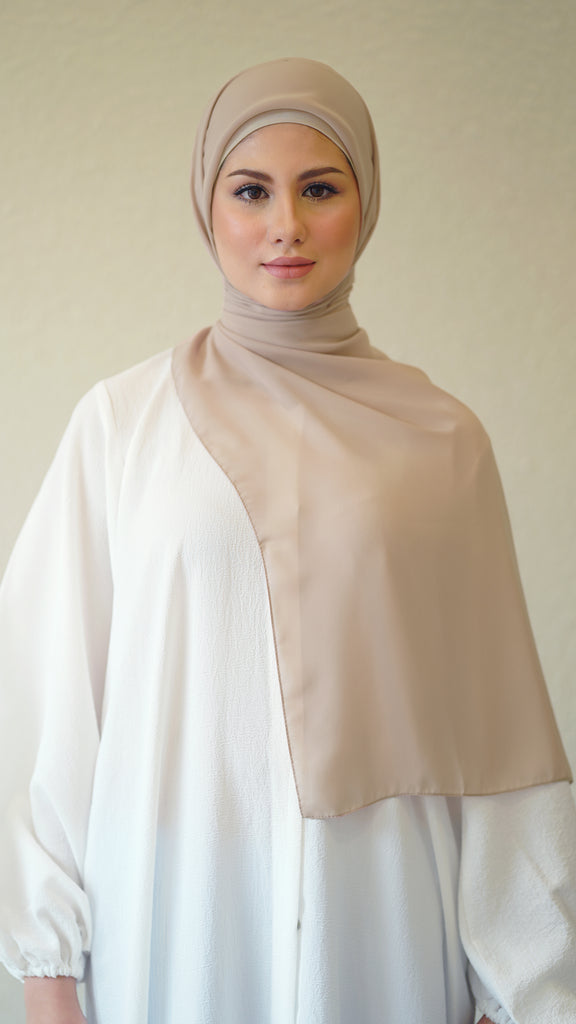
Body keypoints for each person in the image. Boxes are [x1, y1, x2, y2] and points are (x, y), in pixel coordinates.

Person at [1, 57, 575, 1024]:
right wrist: (46, 970)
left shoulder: (444, 441)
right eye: (251, 191)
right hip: (173, 912)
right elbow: (47, 697)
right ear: (208, 205)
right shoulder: (122, 424)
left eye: (319, 188)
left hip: (382, 912)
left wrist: (520, 981)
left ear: (366, 202)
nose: (286, 226)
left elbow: (497, 733)